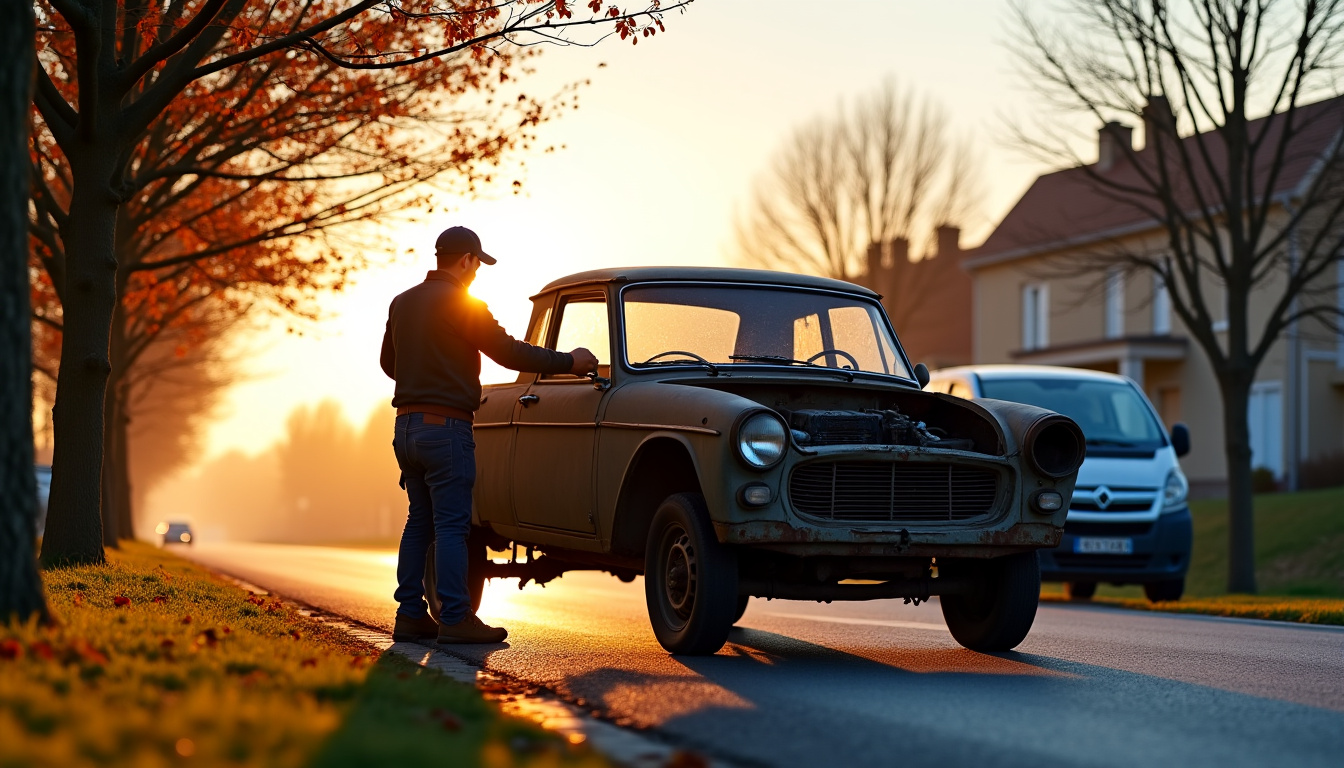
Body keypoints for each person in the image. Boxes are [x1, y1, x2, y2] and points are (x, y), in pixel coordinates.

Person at [381, 226, 597, 643]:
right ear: (465, 260)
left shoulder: (402, 302)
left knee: (419, 522)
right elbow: (509, 351)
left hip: (406, 427)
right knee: (451, 526)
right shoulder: (465, 304)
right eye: (477, 263)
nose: (478, 272)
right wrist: (570, 361)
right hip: (446, 430)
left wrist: (423, 378)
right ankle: (456, 618)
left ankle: (409, 614)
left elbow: (390, 362)